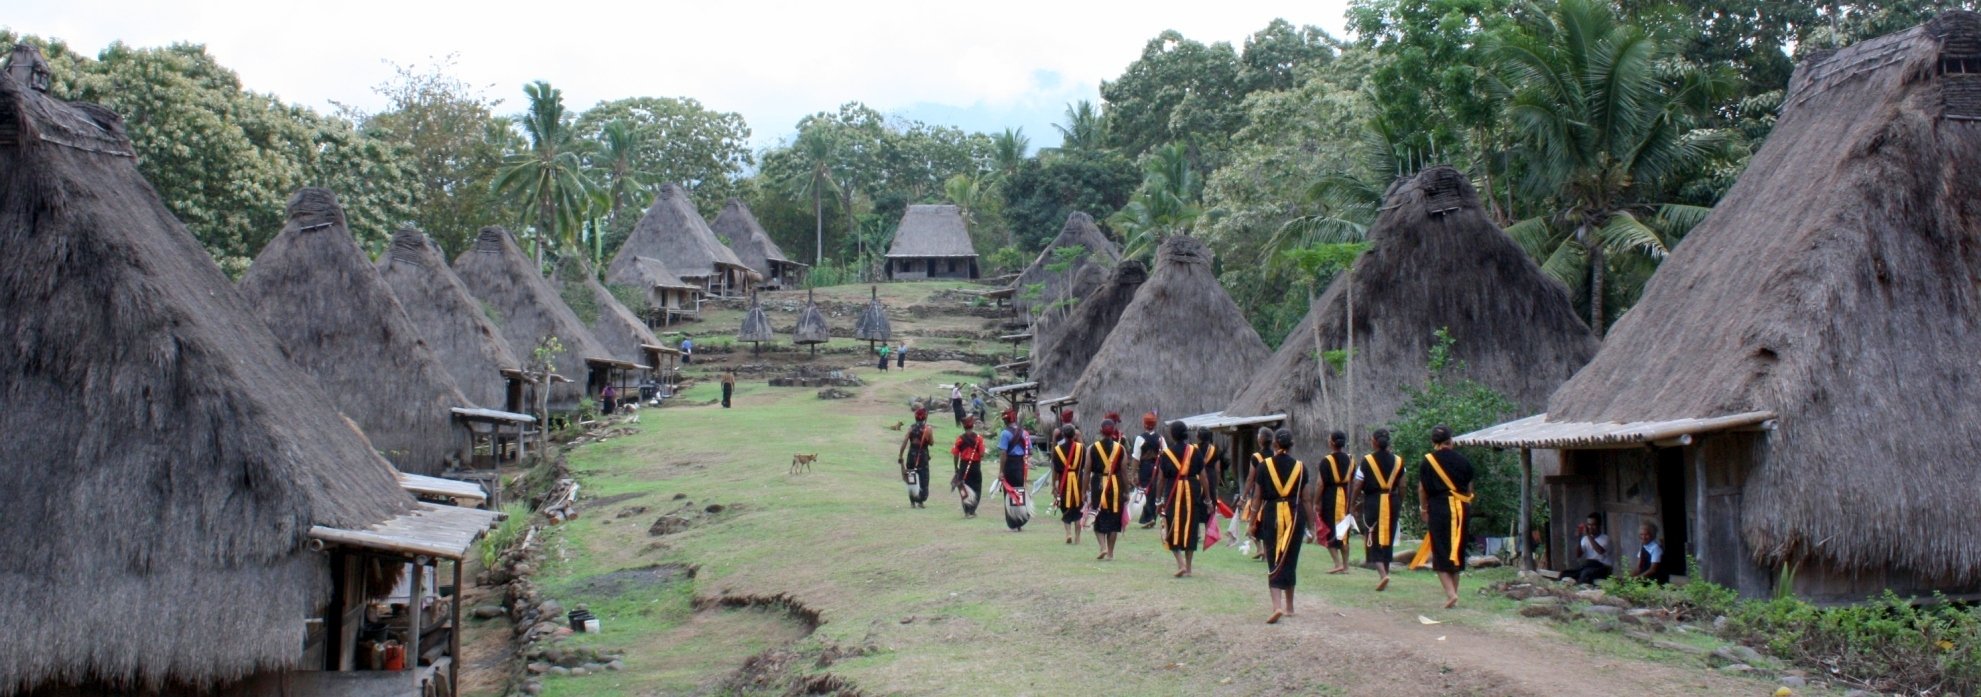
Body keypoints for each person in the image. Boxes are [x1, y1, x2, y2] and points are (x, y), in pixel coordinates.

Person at [1246, 428, 1311, 623]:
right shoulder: (1301, 467)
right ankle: (1290, 607)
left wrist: (1251, 522)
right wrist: (1312, 526)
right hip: (1294, 515)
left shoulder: (1264, 467)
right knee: (1290, 558)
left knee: (1274, 559)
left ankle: (1276, 607)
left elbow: (1257, 497)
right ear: (1291, 446)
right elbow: (1307, 499)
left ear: (1274, 445)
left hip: (1272, 515)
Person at [1419, 424, 1476, 609]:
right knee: (1457, 551)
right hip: (1461, 507)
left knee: (1440, 549)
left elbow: (1422, 488)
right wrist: (1466, 505)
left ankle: (1451, 594)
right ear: (1451, 440)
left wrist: (1423, 509)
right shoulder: (1464, 461)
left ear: (1433, 442)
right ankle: (1454, 594)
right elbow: (1469, 488)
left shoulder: (1428, 461)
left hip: (1439, 508)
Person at [1359, 430, 1406, 591]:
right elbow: (1403, 485)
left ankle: (1382, 574)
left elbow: (1358, 484)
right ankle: (1385, 570)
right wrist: (1399, 501)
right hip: (1392, 500)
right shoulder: (1398, 461)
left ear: (1374, 442)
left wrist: (1352, 503)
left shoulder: (1367, 461)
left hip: (1374, 501)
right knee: (1388, 536)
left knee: (1372, 535)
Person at [1160, 421, 1207, 577]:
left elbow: (1161, 479)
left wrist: (1158, 499)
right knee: (1191, 525)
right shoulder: (1195, 451)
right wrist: (1208, 498)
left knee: (1172, 524)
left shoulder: (1166, 454)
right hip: (1192, 490)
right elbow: (1203, 477)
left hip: (1173, 492)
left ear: (1172, 435)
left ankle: (1180, 563)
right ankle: (1188, 567)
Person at [1315, 431, 1356, 574]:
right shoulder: (1351, 459)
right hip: (1345, 497)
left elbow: (1320, 484)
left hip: (1330, 497)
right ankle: (1346, 566)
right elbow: (1353, 481)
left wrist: (1316, 501)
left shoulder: (1326, 461)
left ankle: (1337, 563)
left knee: (1329, 530)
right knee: (1344, 531)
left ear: (1332, 443)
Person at [1088, 414, 1128, 560]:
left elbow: (1087, 471)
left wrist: (1084, 490)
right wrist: (1127, 491)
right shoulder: (1121, 449)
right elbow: (1124, 472)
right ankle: (1110, 553)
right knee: (1114, 519)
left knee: (1097, 516)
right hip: (1116, 486)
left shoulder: (1092, 448)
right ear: (1113, 431)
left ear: (1100, 430)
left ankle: (1102, 546)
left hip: (1098, 485)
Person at [995, 410, 1032, 531]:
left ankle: (1013, 521)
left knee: (1010, 491)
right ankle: (1020, 520)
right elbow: (1030, 451)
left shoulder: (1005, 434)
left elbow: (1003, 453)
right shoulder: (1025, 433)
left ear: (1006, 420)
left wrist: (1001, 471)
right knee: (1019, 490)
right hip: (1021, 465)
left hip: (1010, 465)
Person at [1051, 423, 1086, 545]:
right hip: (1078, 480)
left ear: (1064, 435)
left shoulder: (1057, 450)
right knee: (1078, 509)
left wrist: (1053, 485)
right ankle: (1077, 537)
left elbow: (1055, 469)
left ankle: (1068, 533)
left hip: (1064, 482)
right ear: (1074, 435)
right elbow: (1085, 466)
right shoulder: (1081, 448)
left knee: (1065, 507)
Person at [1131, 413, 1165, 529]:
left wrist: (1133, 473)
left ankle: (1148, 518)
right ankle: (1149, 517)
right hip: (1158, 468)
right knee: (1154, 491)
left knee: (1145, 491)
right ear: (1155, 424)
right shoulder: (1160, 438)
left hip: (1145, 467)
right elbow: (1165, 455)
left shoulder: (1140, 438)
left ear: (1144, 424)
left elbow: (1136, 458)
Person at [897, 408, 934, 509]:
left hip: (911, 455)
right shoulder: (928, 429)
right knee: (923, 478)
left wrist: (900, 455)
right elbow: (931, 443)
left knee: (911, 477)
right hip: (922, 456)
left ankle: (912, 501)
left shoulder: (911, 428)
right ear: (925, 417)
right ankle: (920, 501)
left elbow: (905, 441)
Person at [950, 416, 986, 517]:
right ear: (972, 425)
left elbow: (956, 454)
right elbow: (982, 454)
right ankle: (973, 510)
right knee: (976, 488)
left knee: (963, 488)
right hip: (975, 466)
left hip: (963, 465)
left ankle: (967, 511)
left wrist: (956, 468)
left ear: (964, 426)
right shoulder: (979, 438)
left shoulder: (960, 439)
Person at [1567, 513, 1613, 585]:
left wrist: (1588, 535)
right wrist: (1579, 538)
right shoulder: (1585, 539)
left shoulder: (1606, 539)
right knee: (1566, 573)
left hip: (1603, 568)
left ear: (1599, 525)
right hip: (1589, 566)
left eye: (1593, 525)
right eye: (1589, 525)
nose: (1590, 527)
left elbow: (1600, 551)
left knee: (1586, 573)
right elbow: (1578, 555)